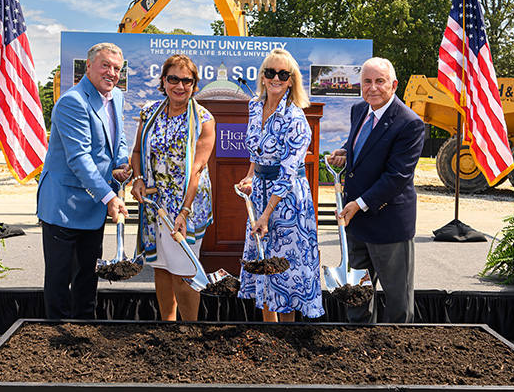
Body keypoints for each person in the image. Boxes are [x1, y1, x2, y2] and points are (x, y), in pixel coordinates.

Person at [327, 57, 425, 324]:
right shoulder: (359, 110)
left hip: (388, 225)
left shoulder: (409, 123)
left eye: (379, 81)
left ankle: (398, 357)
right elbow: (363, 148)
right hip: (356, 223)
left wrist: (358, 203)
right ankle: (358, 352)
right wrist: (346, 153)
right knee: (356, 298)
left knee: (397, 303)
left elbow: (397, 176)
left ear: (393, 85)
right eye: (367, 81)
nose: (373, 87)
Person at [37, 42, 130, 320]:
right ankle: (55, 338)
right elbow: (79, 158)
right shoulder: (72, 102)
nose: (111, 73)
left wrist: (121, 162)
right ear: (88, 66)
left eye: (116, 68)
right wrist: (110, 197)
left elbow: (118, 138)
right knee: (59, 281)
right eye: (105, 65)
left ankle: (83, 333)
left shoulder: (118, 97)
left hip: (94, 204)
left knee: (87, 278)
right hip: (64, 205)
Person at [236, 48, 324, 322]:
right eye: (270, 72)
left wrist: (264, 215)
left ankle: (286, 338)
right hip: (261, 192)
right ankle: (268, 335)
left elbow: (287, 173)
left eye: (283, 74)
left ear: (291, 80)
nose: (276, 78)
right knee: (263, 262)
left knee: (284, 269)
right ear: (262, 76)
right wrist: (251, 175)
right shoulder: (253, 106)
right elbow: (255, 151)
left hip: (287, 201)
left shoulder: (295, 118)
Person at [130, 54, 216, 321]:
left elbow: (196, 169)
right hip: (156, 206)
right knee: (162, 268)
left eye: (186, 80)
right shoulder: (148, 112)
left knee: (184, 269)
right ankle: (168, 328)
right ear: (163, 81)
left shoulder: (203, 118)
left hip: (186, 205)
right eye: (173, 79)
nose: (180, 86)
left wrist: (184, 212)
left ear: (195, 84)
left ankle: (190, 330)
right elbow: (136, 152)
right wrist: (138, 178)